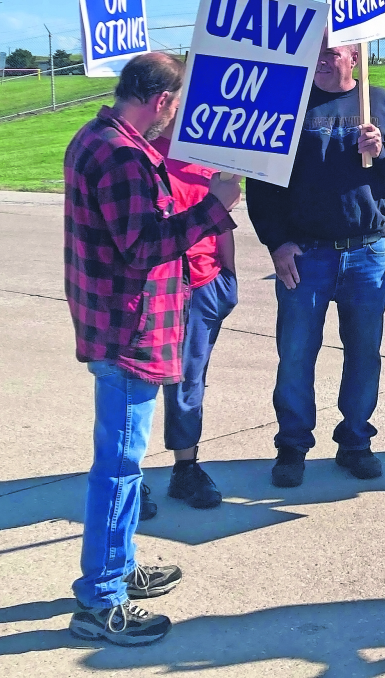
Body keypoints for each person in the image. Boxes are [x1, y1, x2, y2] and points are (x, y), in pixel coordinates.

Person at [63, 52, 241, 645]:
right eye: (176, 104)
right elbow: (143, 246)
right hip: (127, 330)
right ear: (162, 100)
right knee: (118, 468)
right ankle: (101, 600)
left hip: (116, 322)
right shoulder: (121, 156)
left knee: (122, 465)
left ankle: (117, 566)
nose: (174, 119)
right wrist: (214, 208)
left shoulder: (97, 137)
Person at [247, 35, 385, 488]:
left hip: (367, 253)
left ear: (355, 56)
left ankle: (356, 440)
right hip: (305, 256)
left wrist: (383, 150)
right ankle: (292, 445)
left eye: (331, 52)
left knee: (364, 352)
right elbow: (262, 185)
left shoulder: (382, 104)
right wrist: (277, 243)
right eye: (316, 52)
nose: (322, 60)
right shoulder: (289, 107)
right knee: (296, 354)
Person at [147, 119, 238, 510]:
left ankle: (186, 469)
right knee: (138, 384)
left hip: (205, 282)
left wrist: (228, 277)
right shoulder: (142, 155)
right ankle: (126, 479)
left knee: (189, 381)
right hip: (156, 285)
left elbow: (221, 221)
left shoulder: (208, 154)